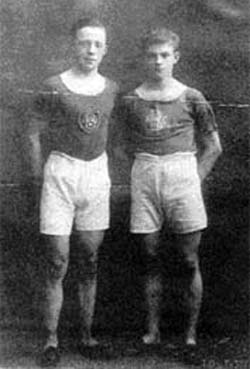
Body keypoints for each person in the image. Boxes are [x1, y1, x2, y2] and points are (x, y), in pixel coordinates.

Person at [116, 26, 222, 347]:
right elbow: (120, 148)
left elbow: (213, 146)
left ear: (175, 57)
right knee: (149, 255)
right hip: (146, 174)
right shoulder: (132, 99)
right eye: (152, 55)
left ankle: (189, 335)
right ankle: (153, 331)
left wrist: (193, 180)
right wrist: (139, 173)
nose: (158, 61)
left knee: (189, 260)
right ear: (143, 59)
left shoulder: (192, 97)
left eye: (164, 55)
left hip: (183, 175)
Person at [27, 16, 118, 366]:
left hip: (95, 173)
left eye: (97, 44)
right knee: (57, 260)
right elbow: (32, 134)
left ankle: (87, 336)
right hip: (60, 172)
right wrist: (38, 180)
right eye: (84, 43)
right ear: (73, 45)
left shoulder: (111, 87)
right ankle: (51, 340)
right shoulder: (54, 85)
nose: (90, 50)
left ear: (105, 49)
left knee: (90, 259)